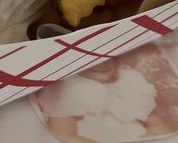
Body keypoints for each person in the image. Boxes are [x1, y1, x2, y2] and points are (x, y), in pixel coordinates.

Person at [35, 58, 165, 143]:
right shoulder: (65, 90)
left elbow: (154, 121)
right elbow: (64, 135)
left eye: (109, 58)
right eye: (92, 60)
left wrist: (157, 135)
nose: (102, 64)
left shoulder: (129, 81)